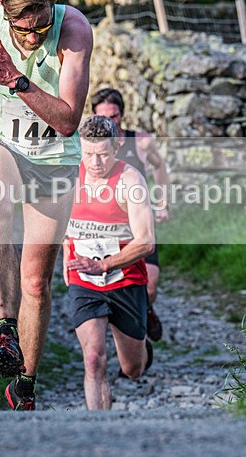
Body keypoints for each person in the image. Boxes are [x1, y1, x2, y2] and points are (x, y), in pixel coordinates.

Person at [0, 0, 93, 411]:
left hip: (54, 158)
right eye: (24, 29)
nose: (34, 37)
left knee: (36, 279)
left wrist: (15, 79)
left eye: (41, 27)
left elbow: (67, 120)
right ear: (4, 11)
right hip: (0, 138)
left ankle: (25, 382)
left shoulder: (74, 30)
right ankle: (5, 330)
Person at [64, 115, 156, 410]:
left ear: (116, 147)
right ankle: (99, 432)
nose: (95, 162)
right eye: (88, 153)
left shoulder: (130, 180)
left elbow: (146, 241)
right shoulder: (67, 178)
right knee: (93, 359)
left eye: (103, 154)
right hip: (84, 281)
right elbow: (55, 228)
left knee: (133, 369)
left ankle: (142, 348)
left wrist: (105, 265)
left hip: (126, 279)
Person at [91, 88, 169, 342]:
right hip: (104, 228)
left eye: (113, 117)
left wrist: (162, 202)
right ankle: (124, 330)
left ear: (121, 115)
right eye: (102, 117)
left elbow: (159, 168)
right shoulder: (89, 147)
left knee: (150, 285)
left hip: (139, 226)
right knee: (108, 283)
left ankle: (145, 309)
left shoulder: (141, 141)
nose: (108, 122)